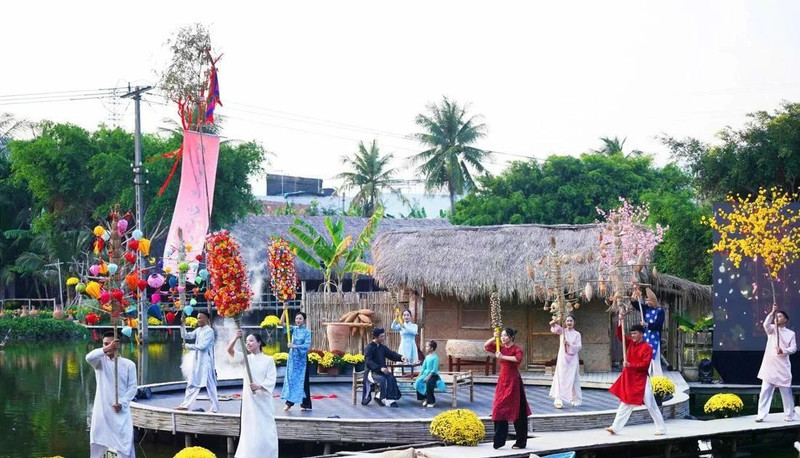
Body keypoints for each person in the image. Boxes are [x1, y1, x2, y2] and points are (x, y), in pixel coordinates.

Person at [606, 312, 666, 436]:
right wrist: (620, 321)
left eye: (635, 333)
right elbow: (620, 335)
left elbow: (644, 365)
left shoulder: (647, 348)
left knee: (651, 405)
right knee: (625, 403)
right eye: (632, 333)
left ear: (642, 334)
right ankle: (615, 428)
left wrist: (630, 365)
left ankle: (661, 429)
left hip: (642, 380)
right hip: (630, 379)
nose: (632, 335)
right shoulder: (630, 343)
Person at [86, 331, 138, 458]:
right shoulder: (99, 362)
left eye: (111, 344)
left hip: (120, 411)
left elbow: (132, 388)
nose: (107, 346)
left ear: (117, 345)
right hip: (102, 413)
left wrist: (122, 403)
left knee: (124, 445)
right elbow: (88, 357)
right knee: (100, 446)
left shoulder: (129, 364)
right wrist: (106, 349)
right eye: (105, 344)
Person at [226, 330, 278, 458]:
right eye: (246, 341)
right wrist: (236, 338)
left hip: (263, 398)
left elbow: (271, 379)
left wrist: (259, 386)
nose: (248, 343)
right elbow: (229, 351)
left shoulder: (268, 360)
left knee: (266, 426)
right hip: (250, 400)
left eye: (251, 340)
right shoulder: (246, 358)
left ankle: (268, 454)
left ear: (259, 343)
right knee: (250, 426)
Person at [485, 327, 531, 450]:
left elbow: (518, 359)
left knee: (518, 411)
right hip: (503, 381)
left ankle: (521, 442)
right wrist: (495, 337)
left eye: (505, 336)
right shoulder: (500, 346)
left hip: (514, 381)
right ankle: (499, 441)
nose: (503, 338)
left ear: (511, 337)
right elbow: (486, 346)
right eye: (502, 336)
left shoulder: (516, 349)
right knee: (499, 408)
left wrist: (502, 356)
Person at [756, 304, 798, 422]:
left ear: (785, 320)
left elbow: (794, 348)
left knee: (786, 393)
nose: (777, 318)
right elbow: (765, 324)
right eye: (776, 316)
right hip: (769, 366)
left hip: (782, 367)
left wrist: (783, 351)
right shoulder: (772, 329)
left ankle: (789, 414)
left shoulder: (790, 333)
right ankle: (761, 414)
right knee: (764, 391)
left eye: (779, 316)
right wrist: (772, 312)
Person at [176, 310, 219, 412]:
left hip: (206, 362)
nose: (198, 320)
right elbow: (186, 336)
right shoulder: (198, 330)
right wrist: (183, 324)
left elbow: (203, 346)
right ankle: (186, 405)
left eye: (201, 317)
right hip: (198, 361)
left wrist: (188, 346)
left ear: (207, 319)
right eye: (198, 318)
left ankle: (214, 408)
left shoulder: (209, 331)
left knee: (210, 386)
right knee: (192, 382)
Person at [364, 327, 406, 407]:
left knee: (391, 378)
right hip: (372, 372)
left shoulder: (382, 347)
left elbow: (391, 354)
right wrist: (380, 368)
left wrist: (400, 357)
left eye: (384, 336)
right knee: (383, 380)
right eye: (381, 336)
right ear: (376, 337)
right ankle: (386, 399)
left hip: (382, 371)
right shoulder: (369, 348)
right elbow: (368, 362)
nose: (383, 338)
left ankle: (385, 398)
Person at [281, 311, 312, 411]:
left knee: (303, 381)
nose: (298, 320)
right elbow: (281, 323)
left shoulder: (307, 332)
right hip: (292, 359)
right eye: (297, 318)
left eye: (300, 319)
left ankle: (304, 404)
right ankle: (289, 403)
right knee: (291, 379)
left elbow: (306, 346)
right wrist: (284, 309)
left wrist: (294, 346)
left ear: (304, 320)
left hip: (302, 359)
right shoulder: (293, 329)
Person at [549, 315, 582, 408]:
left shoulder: (577, 334)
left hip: (573, 359)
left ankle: (575, 399)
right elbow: (552, 325)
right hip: (562, 358)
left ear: (574, 322)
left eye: (571, 321)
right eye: (567, 321)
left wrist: (569, 344)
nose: (569, 323)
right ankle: (558, 399)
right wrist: (557, 319)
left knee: (573, 378)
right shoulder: (562, 331)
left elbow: (578, 347)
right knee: (560, 378)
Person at [637, 288, 665, 377]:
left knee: (654, 356)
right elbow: (638, 306)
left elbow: (658, 325)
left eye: (649, 300)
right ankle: (645, 374)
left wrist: (647, 324)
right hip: (646, 336)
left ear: (653, 301)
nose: (647, 302)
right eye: (646, 300)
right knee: (645, 355)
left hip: (655, 337)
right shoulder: (646, 309)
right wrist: (633, 300)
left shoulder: (660, 311)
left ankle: (657, 377)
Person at [415, 340, 445, 408]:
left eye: (427, 346)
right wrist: (419, 375)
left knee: (429, 383)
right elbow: (423, 367)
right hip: (425, 374)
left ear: (432, 348)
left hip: (433, 375)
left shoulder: (435, 358)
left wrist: (428, 376)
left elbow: (434, 369)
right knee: (418, 381)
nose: (426, 348)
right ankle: (423, 398)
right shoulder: (427, 357)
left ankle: (431, 401)